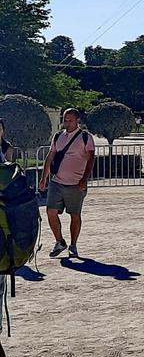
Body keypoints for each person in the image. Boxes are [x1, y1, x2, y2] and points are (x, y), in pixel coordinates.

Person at [39, 108, 96, 258]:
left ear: (77, 120)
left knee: (74, 214)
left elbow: (91, 158)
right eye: (65, 120)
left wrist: (84, 179)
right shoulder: (58, 136)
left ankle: (73, 245)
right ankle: (59, 241)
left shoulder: (85, 137)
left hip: (76, 183)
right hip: (57, 181)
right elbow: (50, 157)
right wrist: (44, 178)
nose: (67, 123)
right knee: (50, 211)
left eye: (70, 120)